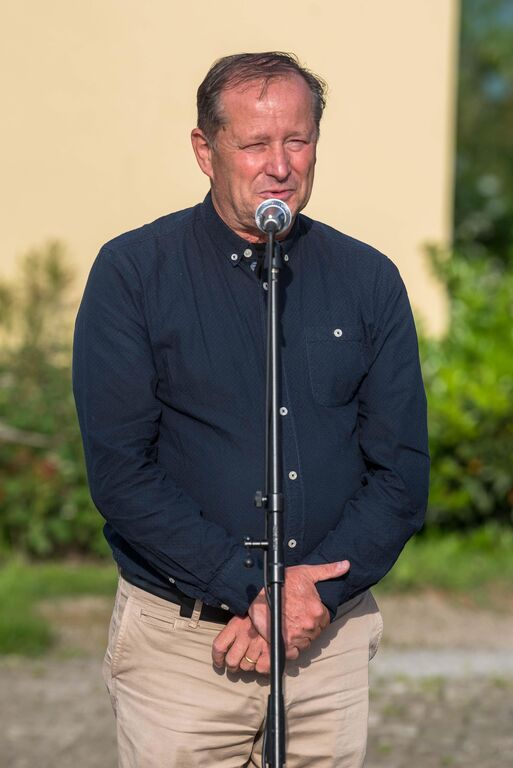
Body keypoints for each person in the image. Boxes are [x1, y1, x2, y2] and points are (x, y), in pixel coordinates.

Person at [73, 52, 429, 768]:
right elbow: (121, 473)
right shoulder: (133, 273)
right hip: (185, 648)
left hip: (324, 640)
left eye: (297, 141)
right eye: (255, 144)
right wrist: (252, 589)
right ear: (204, 150)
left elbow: (400, 473)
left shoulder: (368, 280)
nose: (280, 166)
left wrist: (308, 599)